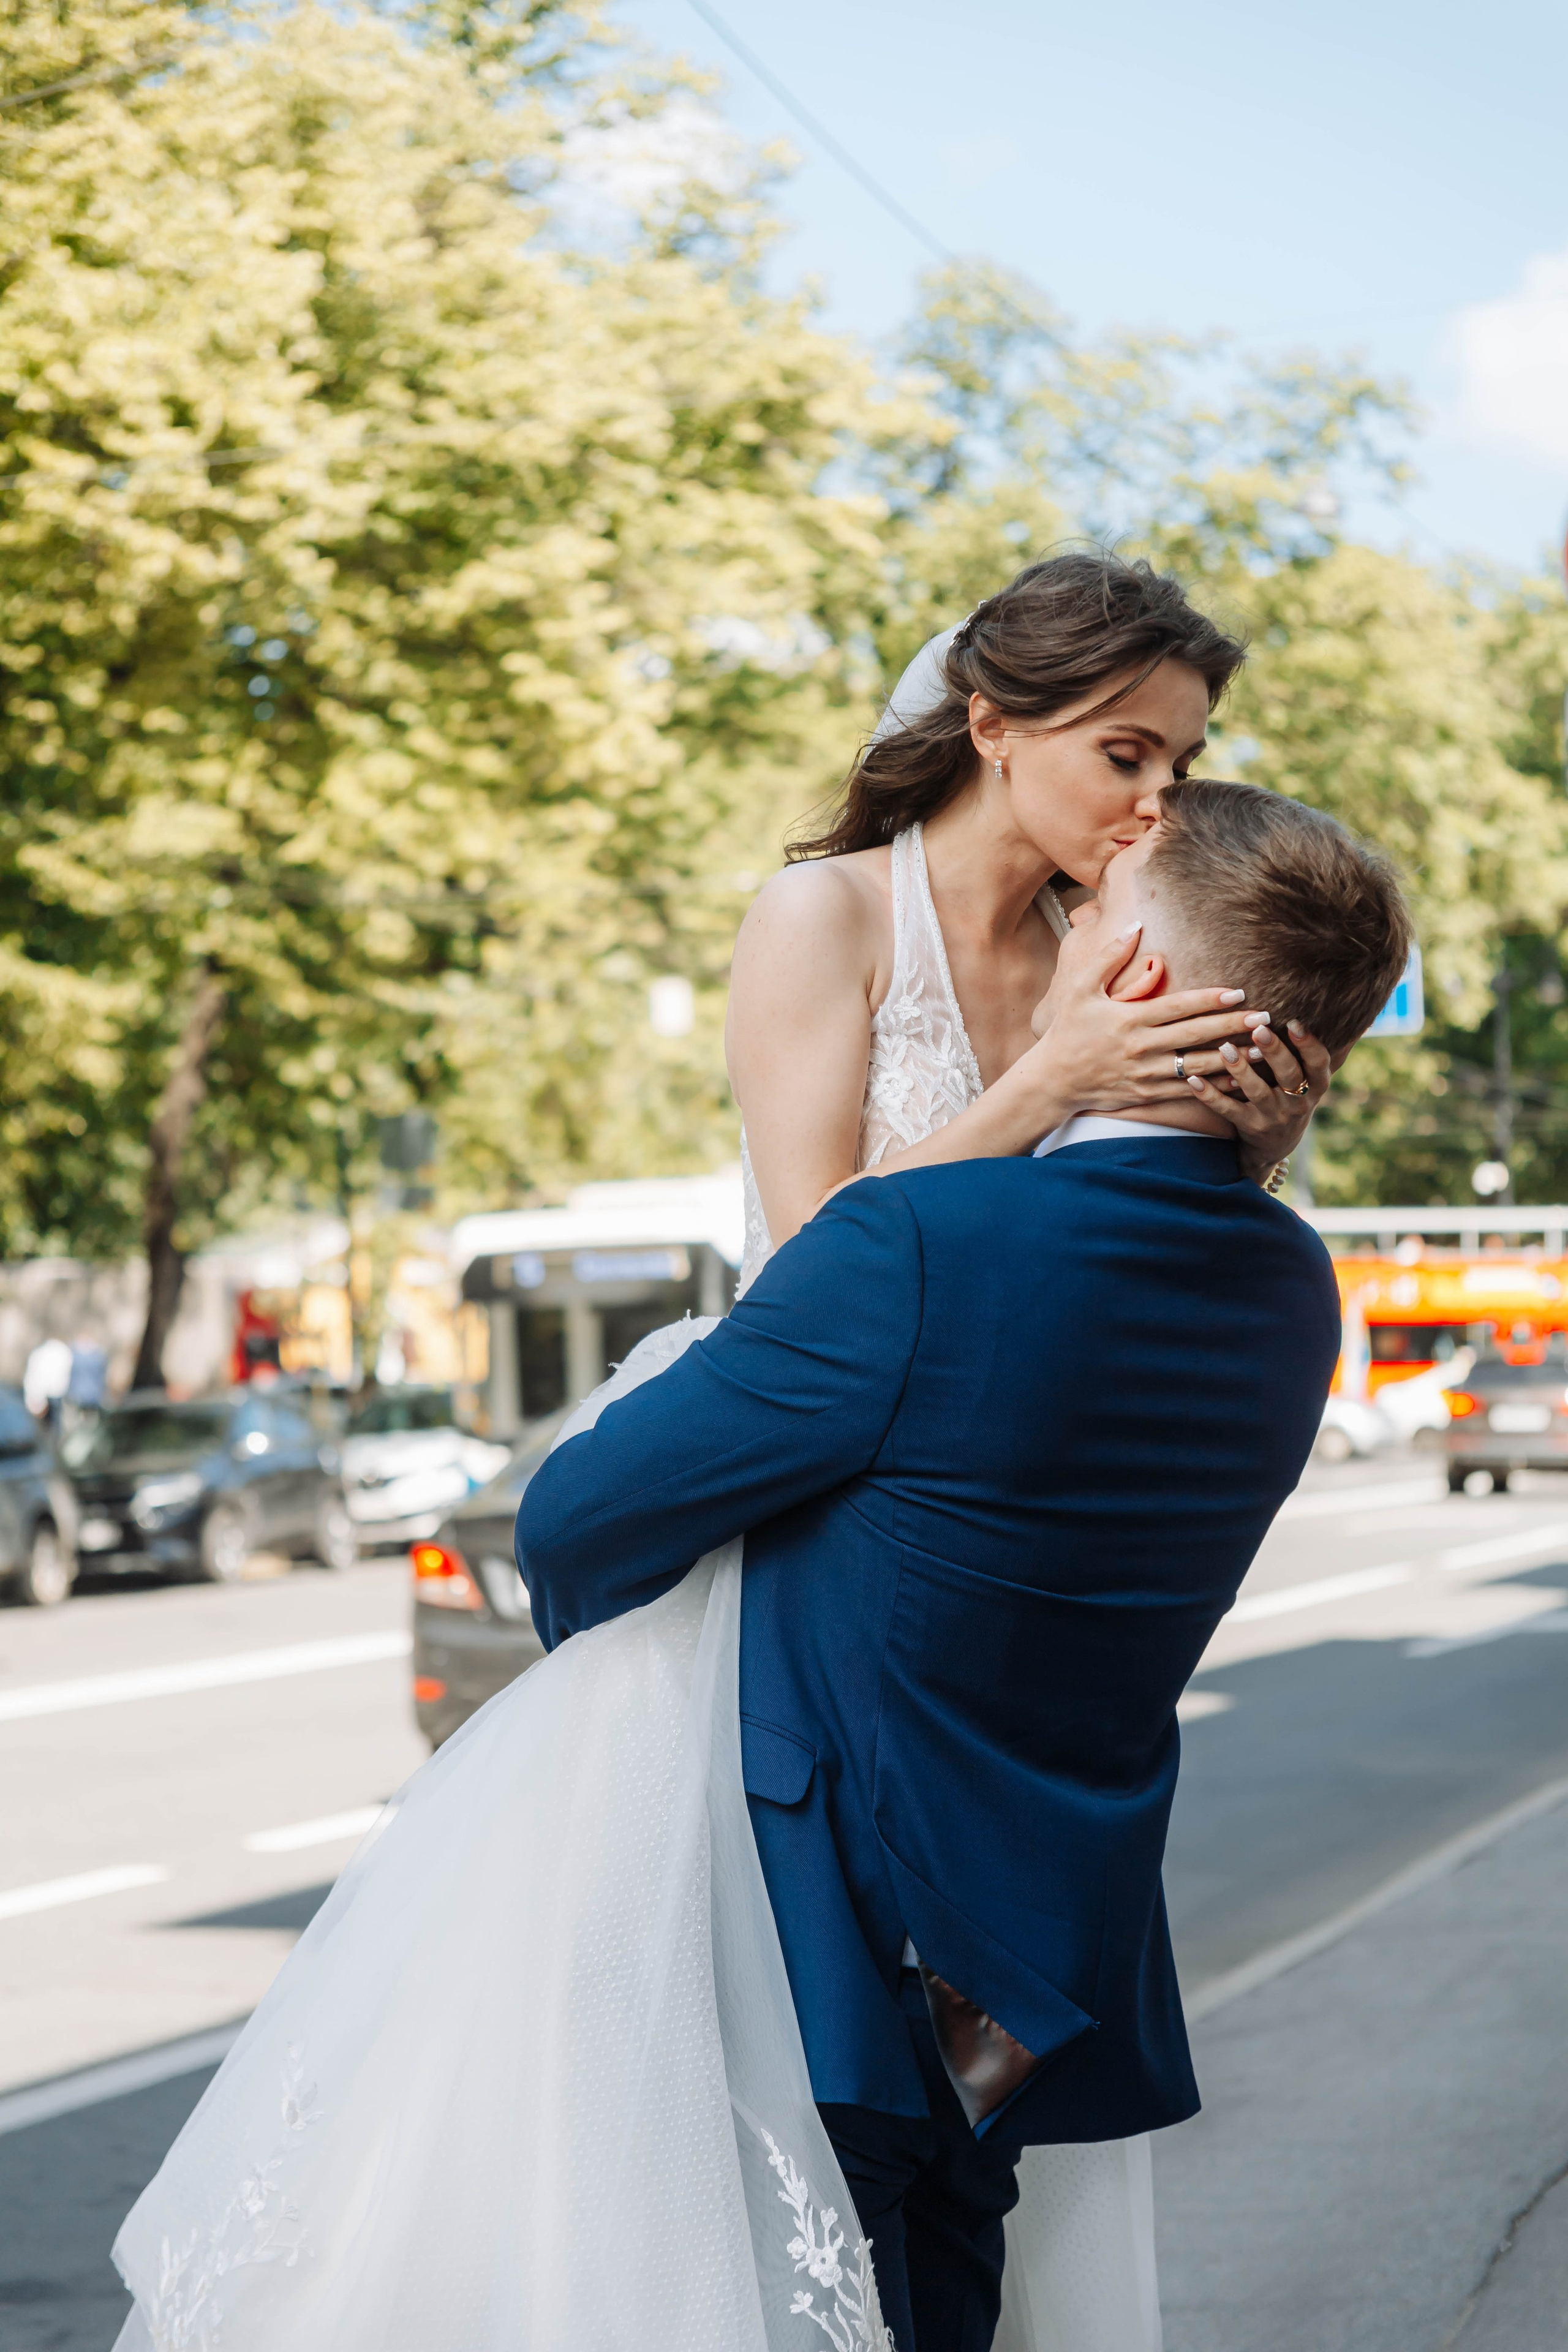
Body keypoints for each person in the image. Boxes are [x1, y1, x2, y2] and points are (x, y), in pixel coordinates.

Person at [110, 558, 1376, 2352]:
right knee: (674, 2114)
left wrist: (1248, 1124)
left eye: (1185, 761)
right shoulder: (835, 921)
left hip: (934, 1462)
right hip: (809, 1442)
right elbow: (824, 1264)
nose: (1161, 800)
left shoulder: (1131, 952)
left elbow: (1117, 1280)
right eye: (1129, 753)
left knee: (885, 2164)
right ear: (993, 729)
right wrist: (1049, 1084)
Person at [518, 777, 1412, 2351]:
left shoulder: (913, 1245)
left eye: (1098, 916)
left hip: (821, 1944)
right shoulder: (1291, 1289)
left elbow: (576, 1523)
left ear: (1135, 981)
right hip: (1026, 1965)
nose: (1068, 919)